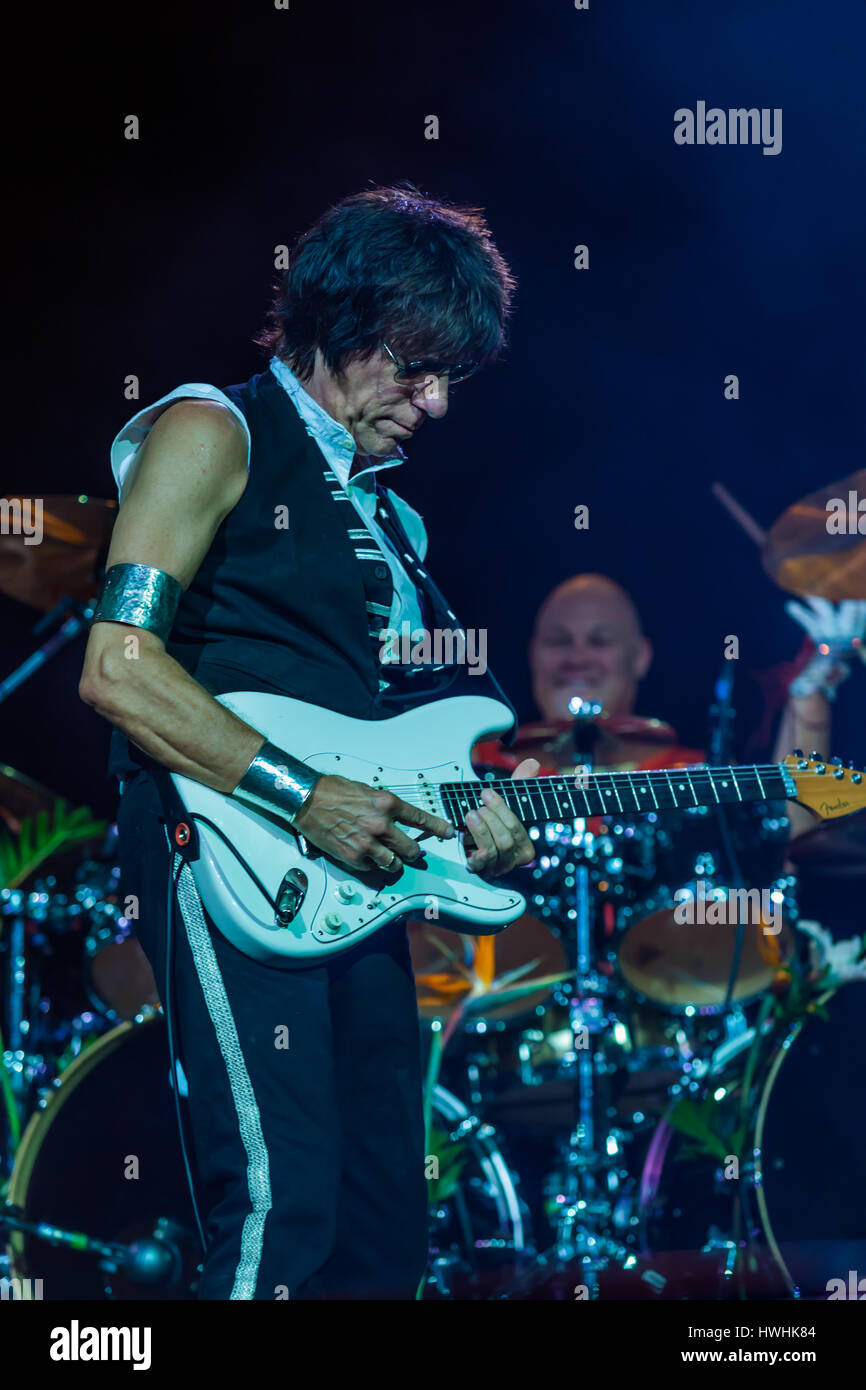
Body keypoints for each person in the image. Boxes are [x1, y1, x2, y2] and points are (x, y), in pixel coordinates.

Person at [78, 185, 536, 1300]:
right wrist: (303, 793)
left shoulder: (391, 521)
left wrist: (488, 817)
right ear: (338, 324)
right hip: (228, 846)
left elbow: (393, 744)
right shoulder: (210, 426)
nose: (431, 404)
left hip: (349, 882)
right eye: (411, 366)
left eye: (448, 379)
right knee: (283, 1205)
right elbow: (117, 667)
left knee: (384, 1219)